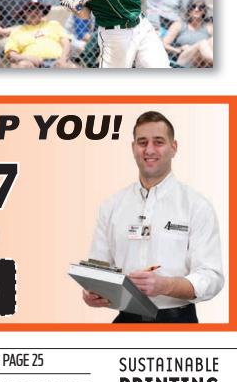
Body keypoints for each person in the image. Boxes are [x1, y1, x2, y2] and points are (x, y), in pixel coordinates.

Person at [81, 110, 224, 322]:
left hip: (177, 322)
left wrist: (165, 285)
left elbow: (212, 277)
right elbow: (98, 266)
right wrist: (92, 290)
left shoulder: (196, 206)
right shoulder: (111, 206)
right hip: (126, 321)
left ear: (173, 147)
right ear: (133, 148)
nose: (149, 150)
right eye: (142, 142)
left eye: (158, 142)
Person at [1, 0, 72, 68]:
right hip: (31, 63)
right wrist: (27, 58)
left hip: (57, 61)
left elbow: (66, 43)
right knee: (23, 65)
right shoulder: (18, 31)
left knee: (72, 67)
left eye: (37, 9)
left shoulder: (53, 24)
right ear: (24, 13)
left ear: (42, 12)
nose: (33, 12)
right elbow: (12, 54)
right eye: (29, 10)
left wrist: (63, 59)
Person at [163, 0, 214, 68]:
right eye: (193, 6)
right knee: (201, 44)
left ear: (204, 11)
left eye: (200, 7)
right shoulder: (179, 25)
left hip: (204, 62)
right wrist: (177, 50)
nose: (196, 10)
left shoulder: (209, 27)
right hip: (185, 60)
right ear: (189, 10)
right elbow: (163, 44)